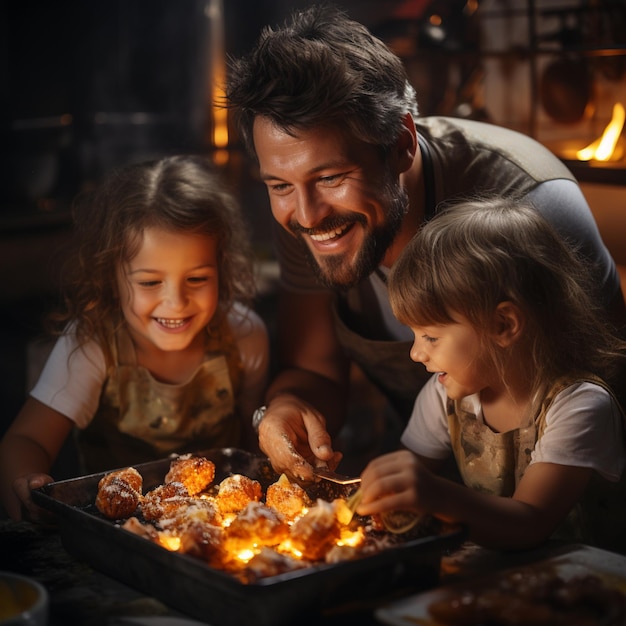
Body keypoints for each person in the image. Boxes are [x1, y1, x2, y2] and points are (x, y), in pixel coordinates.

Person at [225, 4, 626, 482]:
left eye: (331, 177)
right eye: (279, 186)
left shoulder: (531, 204)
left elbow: (598, 396)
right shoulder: (307, 214)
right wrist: (286, 406)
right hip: (429, 485)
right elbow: (314, 369)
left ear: (401, 143)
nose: (307, 215)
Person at [0, 155, 270, 521]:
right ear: (112, 277)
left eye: (197, 279)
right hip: (117, 531)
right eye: (149, 282)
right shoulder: (93, 344)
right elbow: (25, 440)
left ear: (221, 269)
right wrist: (25, 481)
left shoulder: (244, 335)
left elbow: (256, 439)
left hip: (217, 527)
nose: (175, 303)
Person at [356, 198, 626, 552]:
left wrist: (437, 495)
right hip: (495, 581)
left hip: (589, 588)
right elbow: (403, 480)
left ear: (504, 324)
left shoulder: (579, 405)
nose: (416, 353)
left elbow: (530, 523)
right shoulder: (445, 396)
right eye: (415, 335)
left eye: (431, 337)